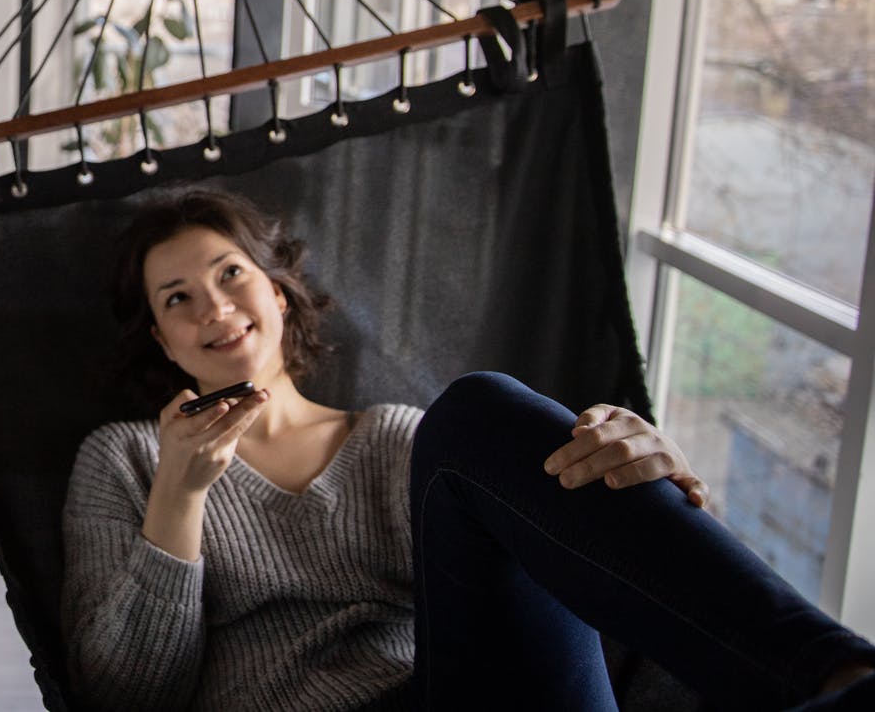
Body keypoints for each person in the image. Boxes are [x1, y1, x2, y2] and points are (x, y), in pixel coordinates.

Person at [62, 189, 875, 712]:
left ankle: (837, 675)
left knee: (478, 412)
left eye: (230, 273)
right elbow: (125, 696)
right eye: (178, 298)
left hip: (466, 697)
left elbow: (586, 610)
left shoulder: (404, 444)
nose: (214, 306)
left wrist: (651, 474)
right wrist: (180, 497)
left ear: (276, 293)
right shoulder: (127, 459)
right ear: (166, 342)